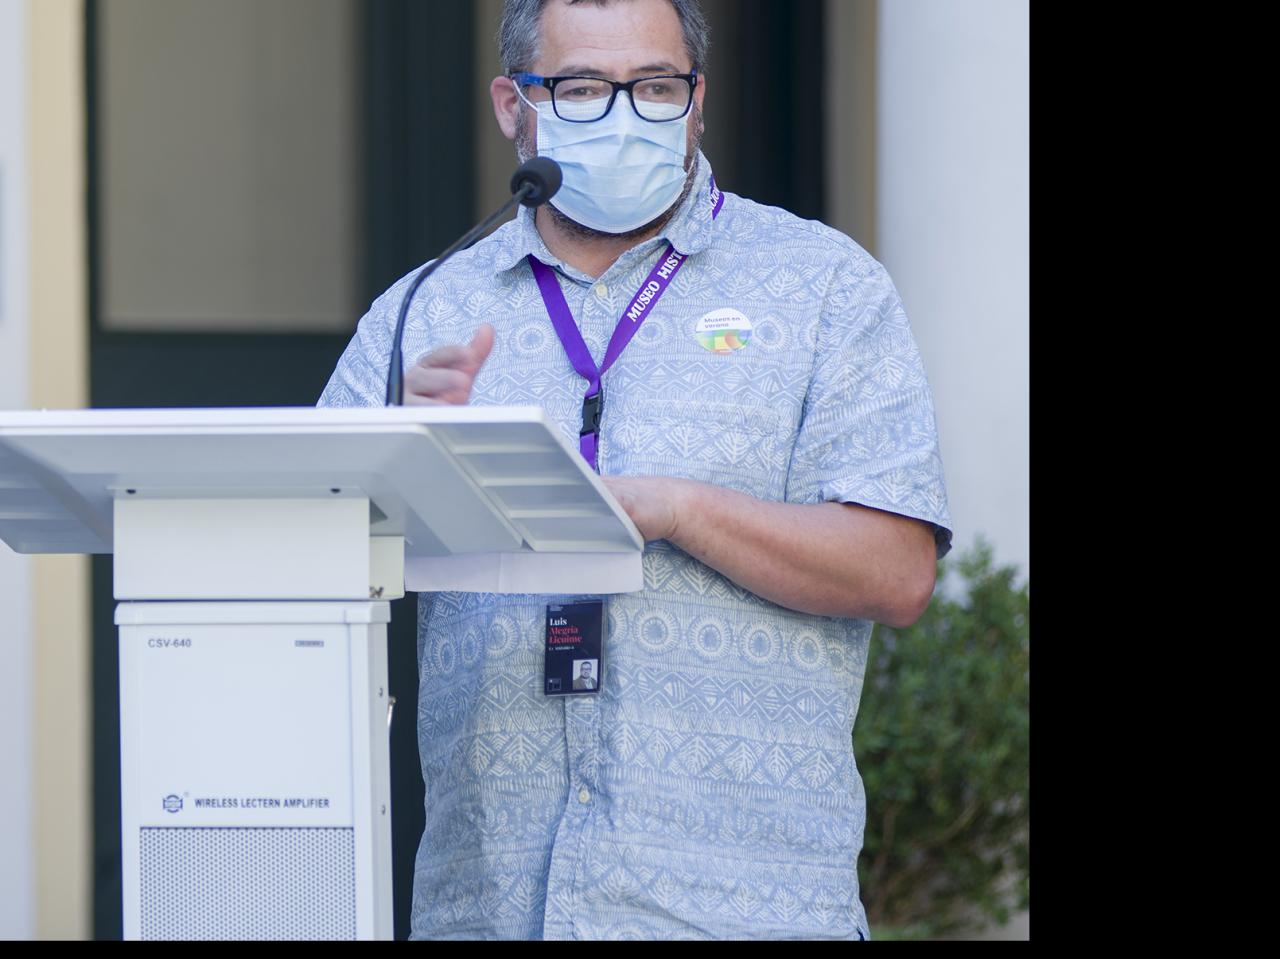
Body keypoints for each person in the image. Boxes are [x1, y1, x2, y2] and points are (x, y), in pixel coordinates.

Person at [320, 0, 951, 940]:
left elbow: (896, 570)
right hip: (489, 910)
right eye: (581, 88)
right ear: (512, 106)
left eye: (655, 86)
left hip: (748, 912)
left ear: (698, 102)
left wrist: (674, 508)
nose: (624, 114)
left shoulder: (825, 285)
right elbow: (304, 563)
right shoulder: (422, 307)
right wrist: (399, 455)